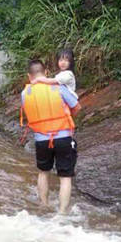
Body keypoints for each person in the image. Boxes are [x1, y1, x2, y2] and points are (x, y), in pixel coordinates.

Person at [20, 57, 81, 213]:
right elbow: (77, 107)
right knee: (65, 177)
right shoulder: (58, 88)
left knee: (43, 173)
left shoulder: (24, 93)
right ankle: (61, 213)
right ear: (46, 73)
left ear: (29, 76)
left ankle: (44, 205)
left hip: (41, 140)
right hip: (63, 137)